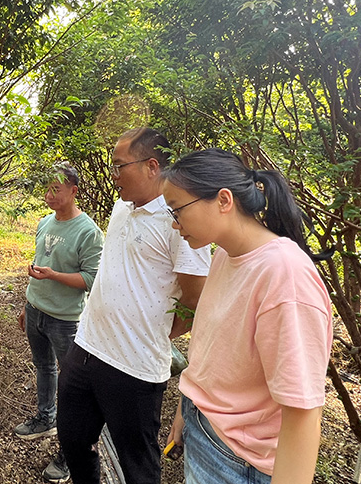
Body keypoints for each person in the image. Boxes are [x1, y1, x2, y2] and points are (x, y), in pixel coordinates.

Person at [161, 148, 333, 484]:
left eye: (178, 210)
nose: (174, 222)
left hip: (239, 463)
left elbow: (302, 412)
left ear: (224, 200)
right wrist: (187, 409)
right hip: (207, 431)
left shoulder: (284, 275)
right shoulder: (225, 255)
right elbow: (213, 353)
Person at [56, 128, 211, 484]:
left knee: (138, 465)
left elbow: (194, 299)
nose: (113, 175)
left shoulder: (180, 220)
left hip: (135, 368)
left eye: (119, 166)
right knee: (74, 440)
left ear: (151, 166)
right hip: (87, 348)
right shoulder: (121, 208)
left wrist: (156, 332)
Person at [14, 162, 104, 483]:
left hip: (65, 320)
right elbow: (40, 263)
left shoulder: (88, 232)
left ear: (74, 191)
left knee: (72, 386)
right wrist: (27, 304)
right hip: (36, 310)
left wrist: (53, 275)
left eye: (56, 189)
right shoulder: (44, 223)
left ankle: (70, 451)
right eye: (47, 189)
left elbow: (91, 279)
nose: (49, 195)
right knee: (44, 367)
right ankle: (45, 418)